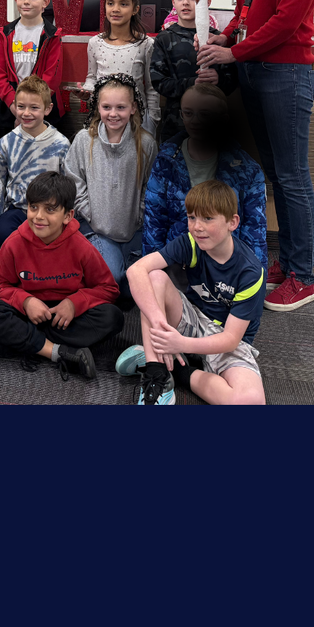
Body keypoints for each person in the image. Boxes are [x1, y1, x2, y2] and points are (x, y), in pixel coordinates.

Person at [196, 0, 314, 311]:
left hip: (286, 72)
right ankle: (287, 262)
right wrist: (223, 38)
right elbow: (244, 14)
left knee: (292, 176)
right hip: (255, 71)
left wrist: (235, 54)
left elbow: (287, 21)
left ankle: (303, 277)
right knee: (275, 173)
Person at [118, 180, 266, 406]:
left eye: (208, 218)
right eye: (192, 217)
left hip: (226, 337)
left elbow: (229, 339)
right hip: (193, 318)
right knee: (154, 277)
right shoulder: (191, 243)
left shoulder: (251, 273)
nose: (197, 226)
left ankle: (177, 371)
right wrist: (160, 327)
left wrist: (179, 344)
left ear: (232, 222)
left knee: (250, 401)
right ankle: (157, 373)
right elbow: (136, 270)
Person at [0, 171, 123, 380]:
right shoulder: (14, 242)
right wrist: (26, 301)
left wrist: (74, 303)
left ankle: (23, 343)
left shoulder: (82, 246)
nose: (39, 216)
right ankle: (57, 352)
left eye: (50, 209)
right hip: (27, 312)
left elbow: (108, 289)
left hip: (64, 316)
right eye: (33, 207)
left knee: (113, 317)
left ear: (68, 216)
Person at [143, 83, 267, 268]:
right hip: (179, 263)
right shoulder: (166, 162)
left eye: (205, 114)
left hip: (226, 267)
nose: (195, 121)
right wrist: (153, 272)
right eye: (189, 113)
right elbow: (154, 224)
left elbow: (255, 234)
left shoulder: (247, 170)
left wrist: (252, 280)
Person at [64, 74, 157, 289]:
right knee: (113, 280)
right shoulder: (84, 139)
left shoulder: (146, 144)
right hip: (96, 228)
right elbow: (73, 180)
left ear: (133, 108)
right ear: (98, 107)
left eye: (121, 108)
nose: (113, 114)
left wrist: (139, 214)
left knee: (132, 288)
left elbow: (150, 187)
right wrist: (90, 212)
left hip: (132, 229)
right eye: (106, 107)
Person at [150, 0, 237, 144]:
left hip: (213, 123)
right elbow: (159, 82)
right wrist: (192, 83)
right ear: (173, 2)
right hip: (175, 124)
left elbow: (233, 79)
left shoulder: (217, 39)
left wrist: (218, 80)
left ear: (207, 2)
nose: (186, 2)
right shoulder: (164, 39)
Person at [0, 75, 70, 251]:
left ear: (47, 109)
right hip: (18, 209)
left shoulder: (61, 144)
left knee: (53, 241)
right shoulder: (6, 142)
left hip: (50, 211)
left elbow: (67, 185)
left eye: (34, 107)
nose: (26, 113)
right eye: (21, 107)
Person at [78, 0, 160, 134]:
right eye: (110, 3)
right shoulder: (95, 43)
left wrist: (152, 122)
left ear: (135, 9)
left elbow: (151, 87)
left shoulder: (146, 44)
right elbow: (92, 78)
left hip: (137, 120)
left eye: (123, 4)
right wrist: (86, 91)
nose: (115, 9)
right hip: (104, 117)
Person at [0, 0, 63, 134]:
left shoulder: (52, 35)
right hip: (9, 111)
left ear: (45, 2)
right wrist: (17, 109)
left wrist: (30, 110)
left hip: (43, 110)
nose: (26, 2)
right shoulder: (5, 34)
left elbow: (51, 77)